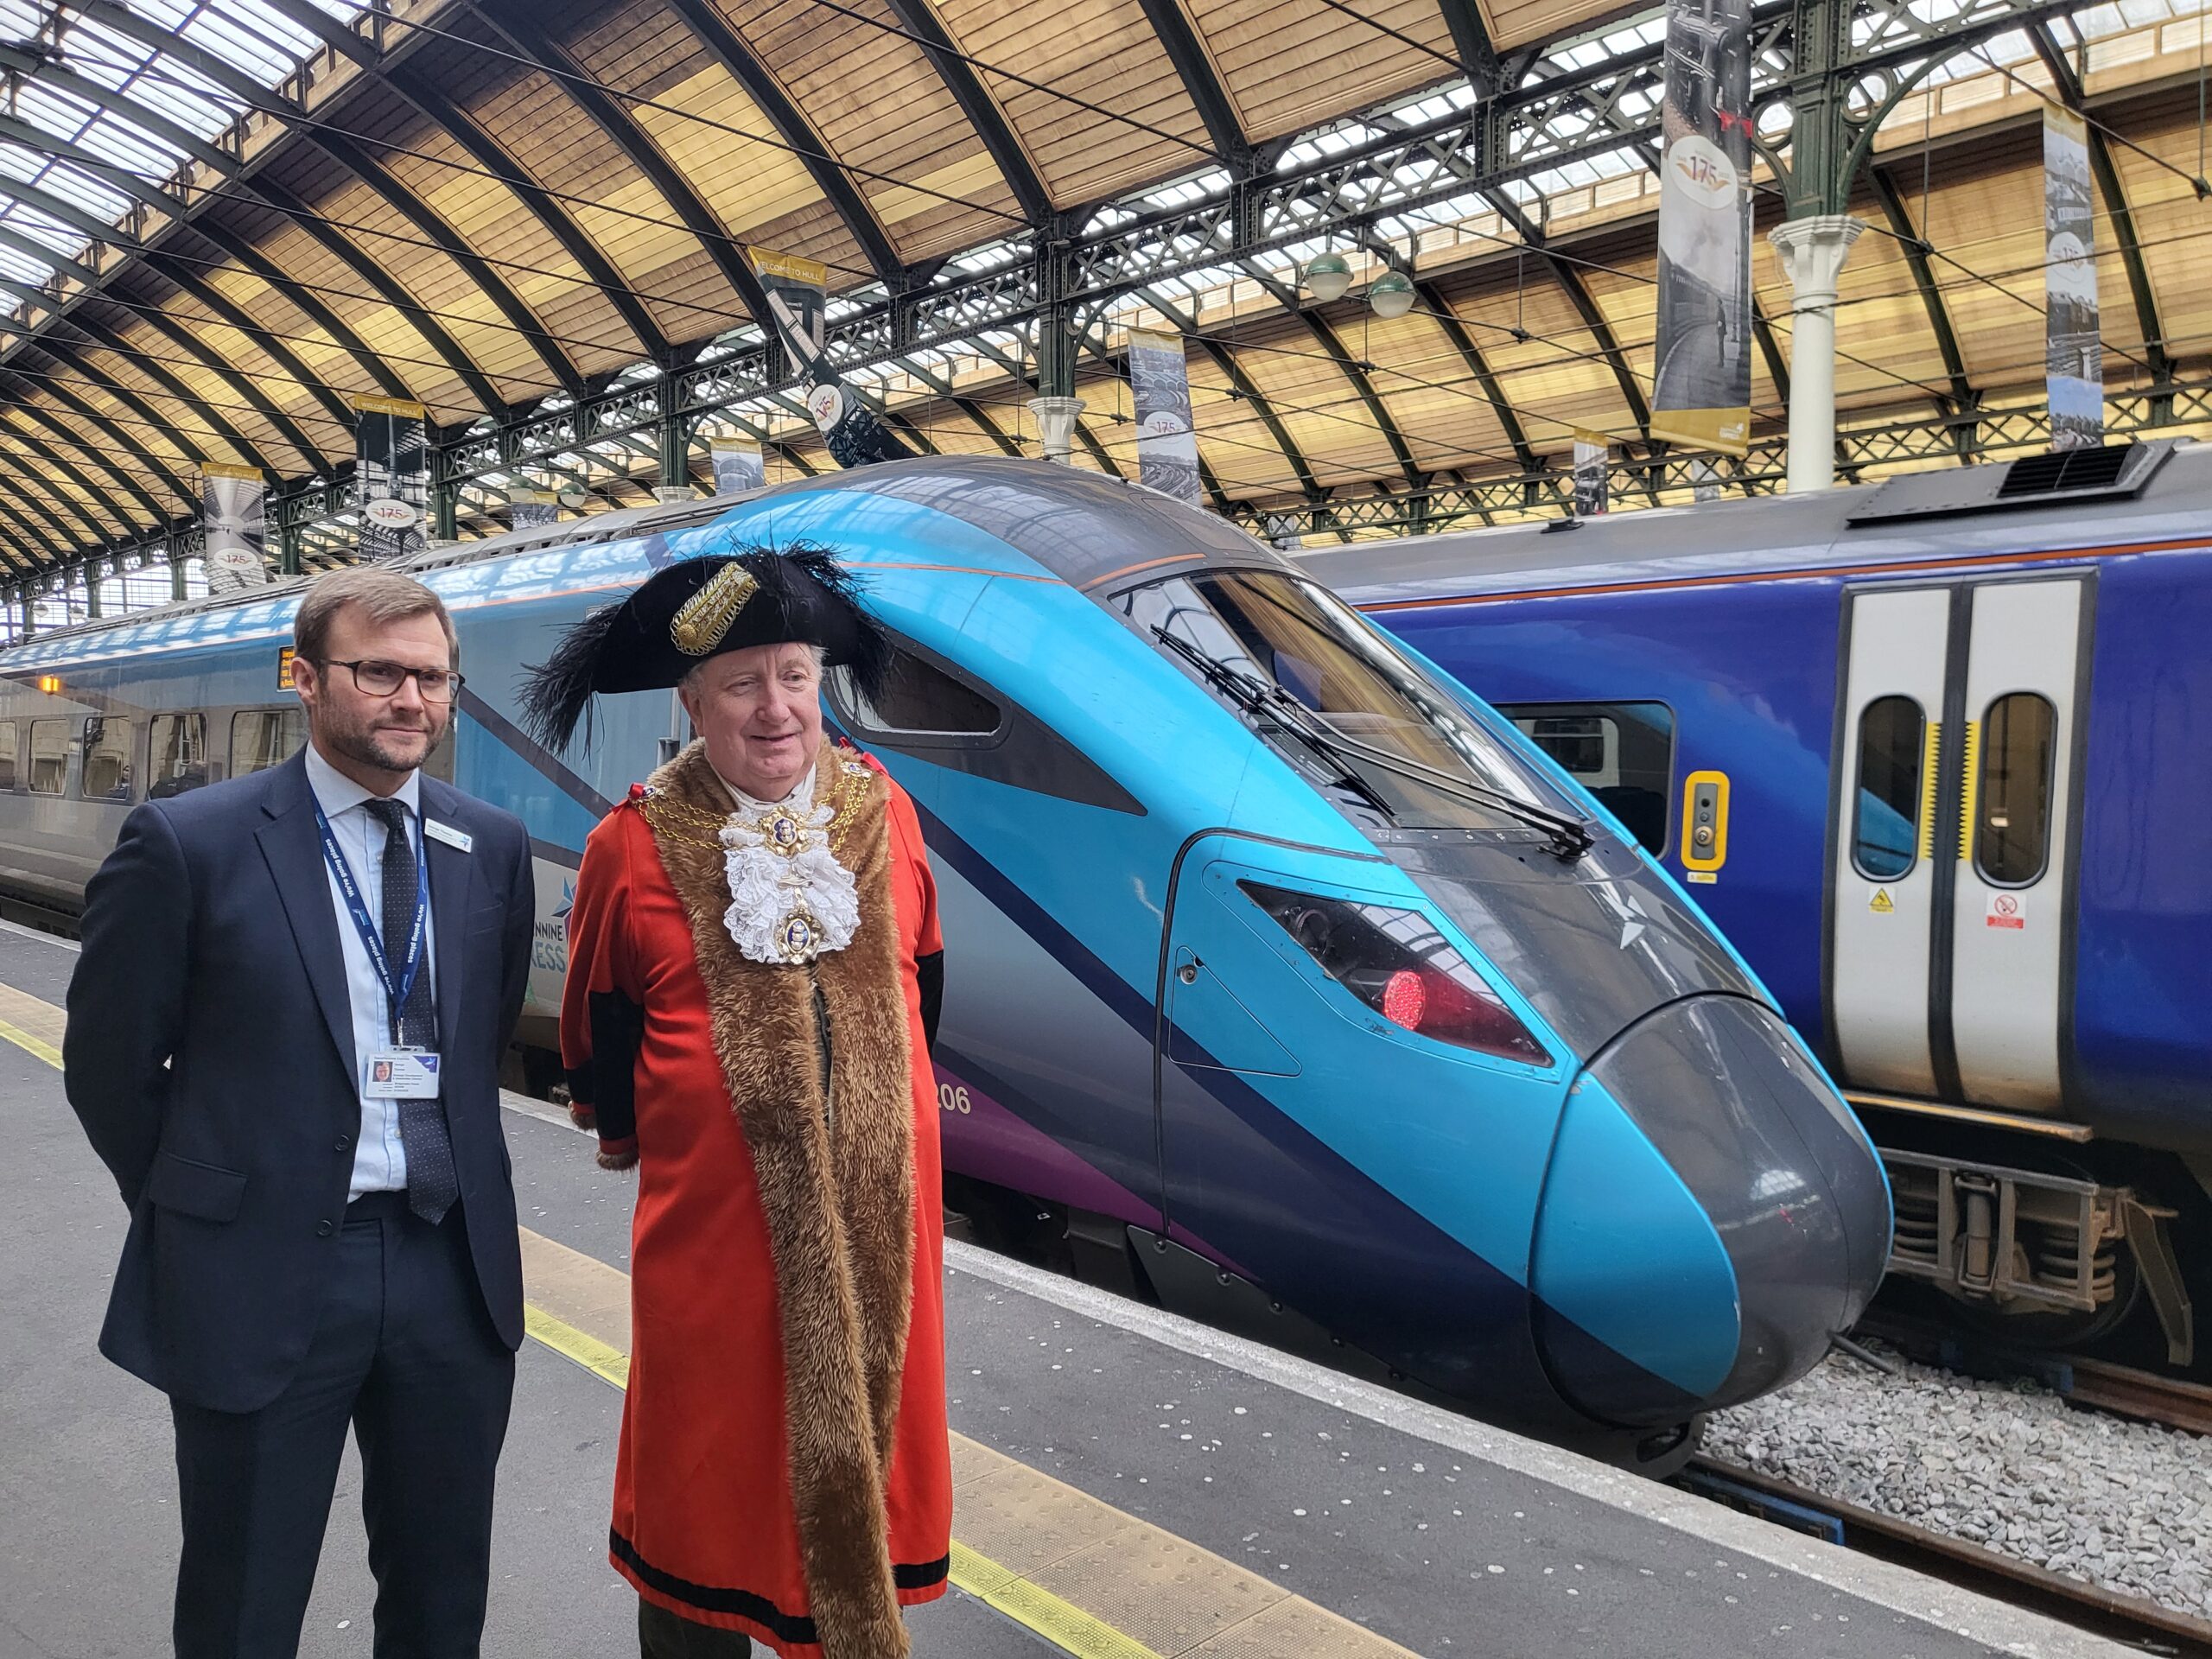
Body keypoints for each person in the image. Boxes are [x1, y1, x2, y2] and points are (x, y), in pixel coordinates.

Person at [64, 566, 537, 1658]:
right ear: (305, 678)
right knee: (244, 1598)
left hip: (449, 1269)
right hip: (261, 1264)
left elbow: (479, 1040)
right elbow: (108, 1063)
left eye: (431, 678)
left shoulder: (488, 845)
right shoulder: (190, 841)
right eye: (378, 671)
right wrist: (201, 1197)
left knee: (440, 1588)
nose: (408, 700)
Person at [519, 545, 950, 1659]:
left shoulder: (886, 817)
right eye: (743, 683)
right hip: (713, 1251)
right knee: (702, 1492)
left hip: (878, 1239)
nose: (776, 709)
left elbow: (926, 986)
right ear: (693, 704)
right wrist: (648, 1138)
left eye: (795, 677)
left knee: (863, 1469)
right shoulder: (630, 843)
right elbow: (599, 1026)